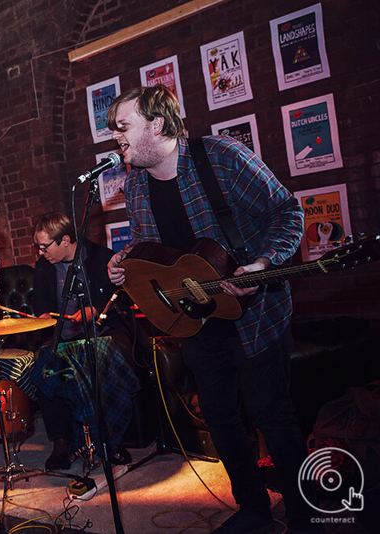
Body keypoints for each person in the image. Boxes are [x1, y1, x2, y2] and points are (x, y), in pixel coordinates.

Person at [106, 85, 318, 533]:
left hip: (256, 315)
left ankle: (304, 517)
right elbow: (157, 254)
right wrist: (125, 265)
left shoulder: (220, 157)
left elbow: (287, 212)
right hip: (196, 321)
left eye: (122, 127)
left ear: (157, 125)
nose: (115, 137)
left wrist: (262, 262)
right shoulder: (136, 185)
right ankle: (255, 511)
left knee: (272, 416)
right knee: (220, 417)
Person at [30, 212, 135, 470]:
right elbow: (40, 304)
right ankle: (62, 444)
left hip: (105, 332)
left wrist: (95, 309)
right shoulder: (43, 267)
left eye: (45, 247)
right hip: (62, 337)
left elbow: (123, 297)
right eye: (38, 247)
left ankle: (111, 442)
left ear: (65, 240)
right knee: (45, 365)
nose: (41, 253)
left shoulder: (101, 257)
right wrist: (43, 316)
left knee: (100, 359)